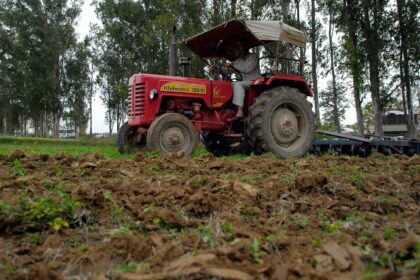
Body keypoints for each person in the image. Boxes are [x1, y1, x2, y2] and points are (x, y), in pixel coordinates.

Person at [213, 41, 260, 121]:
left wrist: (233, 65)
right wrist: (218, 69)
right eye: (239, 47)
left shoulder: (253, 56)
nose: (240, 49)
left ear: (246, 48)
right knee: (229, 86)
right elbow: (230, 69)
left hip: (254, 81)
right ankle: (229, 110)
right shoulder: (239, 60)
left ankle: (240, 112)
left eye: (241, 47)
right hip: (245, 82)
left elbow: (247, 69)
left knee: (238, 85)